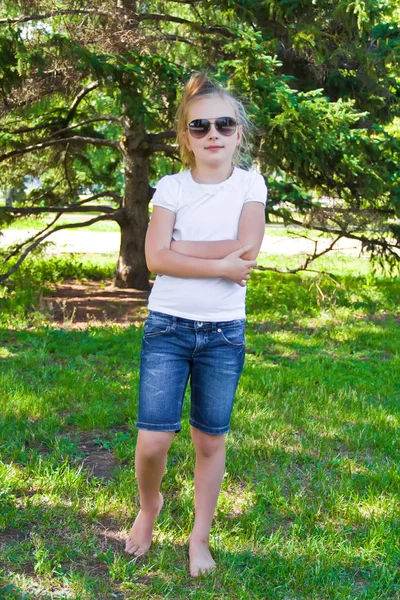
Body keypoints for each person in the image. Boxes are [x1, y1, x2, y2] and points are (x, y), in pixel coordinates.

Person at [125, 72, 267, 577]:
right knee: (153, 440)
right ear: (185, 137)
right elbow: (154, 259)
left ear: (239, 134)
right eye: (200, 125)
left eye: (224, 124)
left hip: (223, 332)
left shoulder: (251, 184)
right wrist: (218, 263)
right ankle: (150, 506)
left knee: (210, 440)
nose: (213, 133)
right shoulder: (171, 186)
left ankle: (199, 537)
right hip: (168, 326)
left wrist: (179, 248)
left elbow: (247, 250)